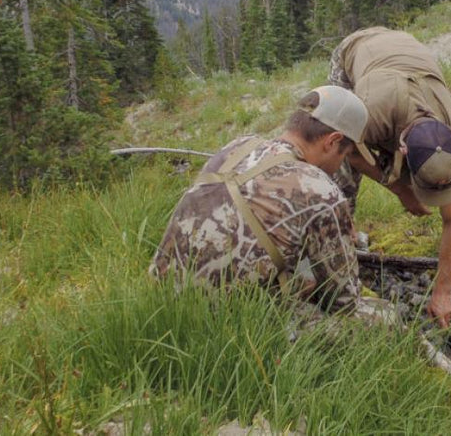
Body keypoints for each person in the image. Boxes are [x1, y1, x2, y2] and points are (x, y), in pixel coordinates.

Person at [327, 26, 451, 327]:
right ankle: (341, 246)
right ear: (402, 149)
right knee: (340, 170)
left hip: (414, 71)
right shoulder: (370, 113)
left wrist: (443, 292)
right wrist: (400, 189)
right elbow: (351, 153)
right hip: (357, 53)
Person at [149, 85, 377, 314]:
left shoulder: (237, 146)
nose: (342, 164)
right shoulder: (320, 189)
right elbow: (344, 303)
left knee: (302, 276)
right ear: (332, 141)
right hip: (226, 319)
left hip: (163, 298)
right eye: (345, 155)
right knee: (382, 318)